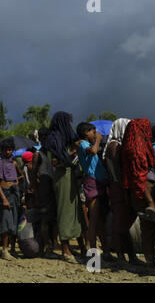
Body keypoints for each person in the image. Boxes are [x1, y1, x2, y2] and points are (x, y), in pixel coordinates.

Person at [121, 118, 155, 270]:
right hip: (148, 190)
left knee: (147, 229)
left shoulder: (126, 147)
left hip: (134, 192)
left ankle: (150, 263)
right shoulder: (141, 147)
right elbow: (147, 171)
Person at [42, 112, 86, 264]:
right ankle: (65, 250)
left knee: (75, 211)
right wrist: (73, 152)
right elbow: (57, 161)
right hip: (62, 177)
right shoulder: (54, 139)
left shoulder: (62, 138)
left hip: (69, 176)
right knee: (65, 212)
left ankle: (81, 247)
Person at [103, 118, 141, 265]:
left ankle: (129, 255)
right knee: (121, 222)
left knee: (123, 222)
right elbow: (119, 172)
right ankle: (122, 255)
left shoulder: (112, 145)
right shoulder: (115, 146)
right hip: (119, 187)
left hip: (116, 186)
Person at [76, 122, 114, 262]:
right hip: (92, 183)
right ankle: (93, 255)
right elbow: (92, 151)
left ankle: (107, 252)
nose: (95, 134)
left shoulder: (86, 144)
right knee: (94, 220)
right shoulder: (83, 145)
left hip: (100, 182)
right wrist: (98, 139)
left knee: (100, 221)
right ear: (86, 133)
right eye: (93, 132)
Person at [31, 128, 59, 259]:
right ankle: (47, 247)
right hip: (44, 186)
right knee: (45, 219)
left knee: (54, 219)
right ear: (40, 138)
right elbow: (34, 174)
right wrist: (35, 192)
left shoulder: (53, 152)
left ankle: (54, 245)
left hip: (53, 186)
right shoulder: (38, 154)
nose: (45, 139)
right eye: (43, 137)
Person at [0, 139, 24, 261]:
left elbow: (20, 175)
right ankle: (4, 250)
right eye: (5, 149)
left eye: (10, 149)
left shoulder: (14, 163)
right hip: (4, 194)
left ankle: (12, 249)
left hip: (14, 194)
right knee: (6, 220)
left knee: (15, 220)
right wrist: (3, 198)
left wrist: (16, 183)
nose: (7, 151)